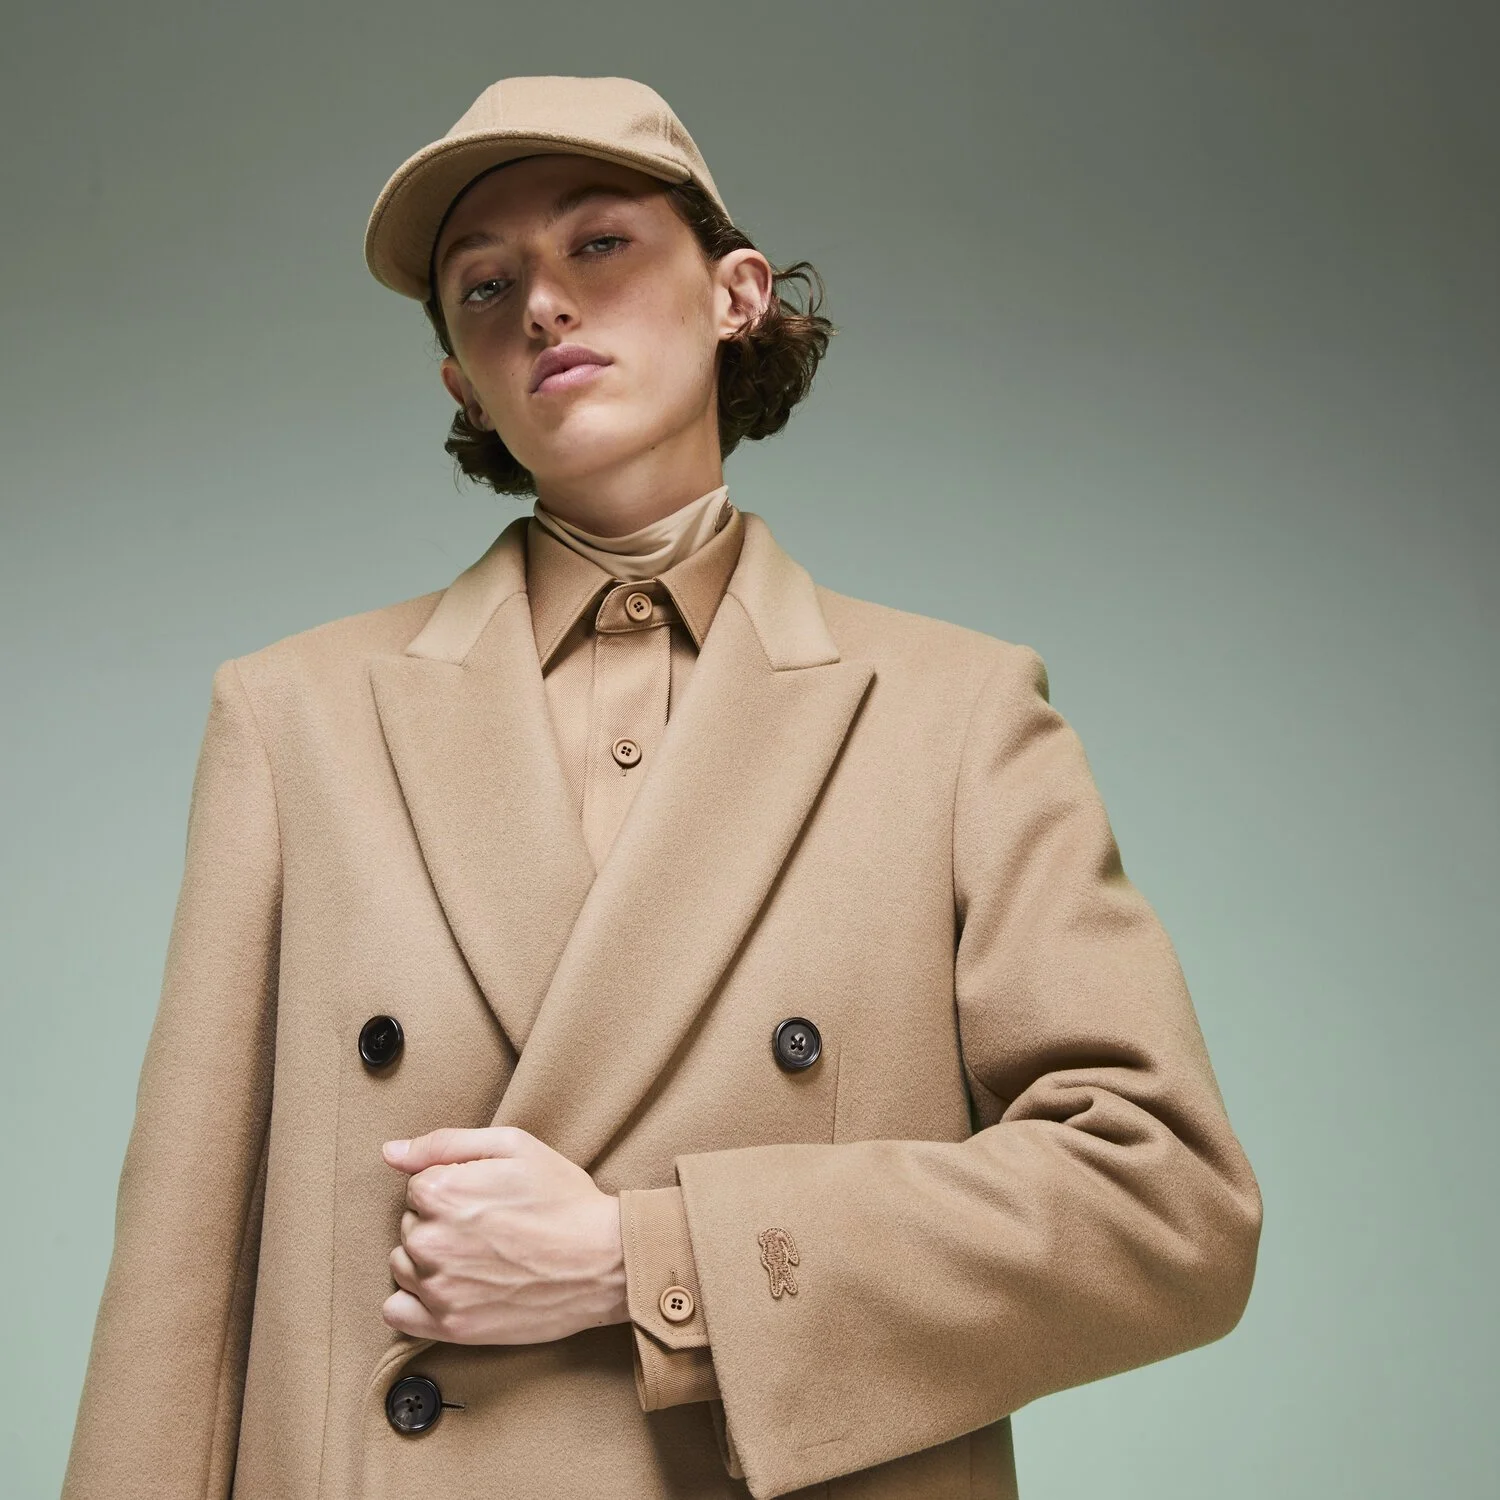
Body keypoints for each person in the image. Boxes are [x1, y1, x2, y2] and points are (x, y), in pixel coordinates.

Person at [61, 75, 1262, 1500]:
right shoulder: (293, 717)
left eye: (600, 245)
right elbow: (179, 1291)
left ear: (736, 293)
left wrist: (645, 1260)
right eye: (485, 287)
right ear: (463, 381)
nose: (542, 307)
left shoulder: (957, 716)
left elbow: (1167, 1204)